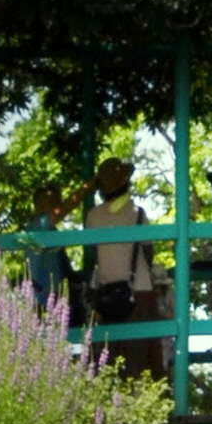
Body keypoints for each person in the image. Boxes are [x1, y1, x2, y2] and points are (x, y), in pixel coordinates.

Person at [85, 157, 162, 378]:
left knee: (110, 357)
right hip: (139, 290)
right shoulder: (138, 213)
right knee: (143, 357)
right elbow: (148, 252)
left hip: (107, 293)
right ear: (126, 184)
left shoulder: (92, 216)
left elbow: (92, 255)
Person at [24, 185, 71, 315]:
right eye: (50, 202)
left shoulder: (52, 231)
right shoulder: (38, 225)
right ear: (37, 205)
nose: (56, 206)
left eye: (58, 202)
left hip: (54, 298)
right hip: (40, 299)